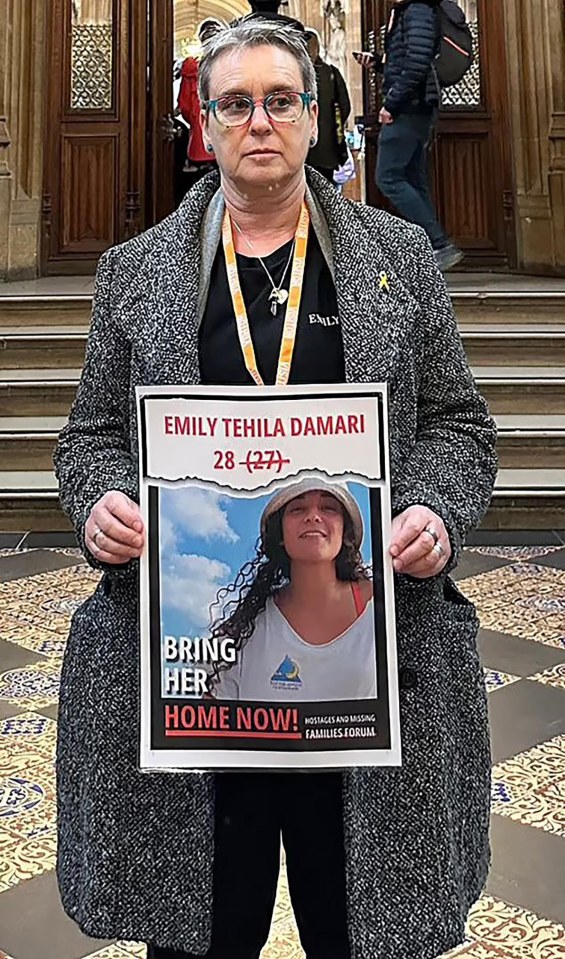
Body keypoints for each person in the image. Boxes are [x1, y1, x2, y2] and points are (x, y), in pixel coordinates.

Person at [54, 17, 497, 959]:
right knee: (202, 934)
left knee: (362, 931)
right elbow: (90, 437)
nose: (260, 122)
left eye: (282, 101)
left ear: (314, 118)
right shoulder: (130, 274)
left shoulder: (399, 260)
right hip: (200, 679)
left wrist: (431, 510)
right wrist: (98, 503)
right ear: (205, 126)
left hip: (370, 680)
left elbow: (458, 425)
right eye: (236, 104)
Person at [209, 479, 376, 702]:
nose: (313, 517)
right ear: (280, 533)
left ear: (345, 531)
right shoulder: (239, 636)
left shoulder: (385, 609)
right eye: (298, 509)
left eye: (328, 508)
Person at [355, 0, 464, 272]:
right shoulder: (409, 11)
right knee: (414, 178)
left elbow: (417, 62)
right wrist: (379, 63)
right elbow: (409, 59)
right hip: (415, 106)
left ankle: (438, 244)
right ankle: (432, 247)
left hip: (409, 108)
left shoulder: (417, 10)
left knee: (388, 176)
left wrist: (391, 104)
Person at [177, 19, 222, 189]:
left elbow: (185, 105)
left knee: (200, 186)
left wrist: (195, 122)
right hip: (228, 139)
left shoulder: (190, 69)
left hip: (200, 141)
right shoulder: (230, 67)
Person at [305, 29, 351, 182]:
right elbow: (344, 106)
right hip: (327, 148)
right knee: (325, 193)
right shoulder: (331, 73)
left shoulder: (295, 75)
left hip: (302, 149)